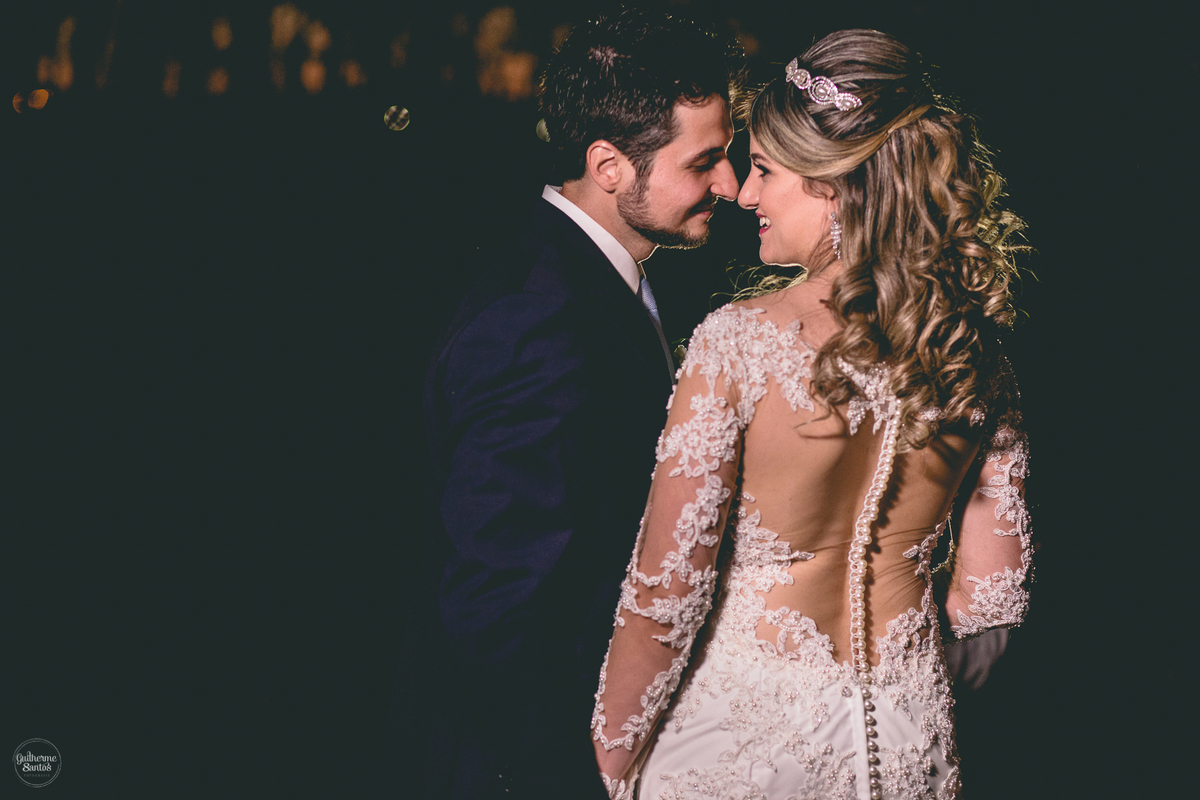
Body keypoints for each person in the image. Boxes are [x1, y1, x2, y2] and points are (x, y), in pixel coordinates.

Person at [591, 29, 1032, 800]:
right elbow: (992, 603)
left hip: (739, 743)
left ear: (835, 184)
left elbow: (666, 594)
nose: (747, 194)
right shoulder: (973, 356)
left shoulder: (737, 343)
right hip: (905, 742)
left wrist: (611, 760)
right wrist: (904, 678)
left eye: (764, 170)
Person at [391, 9, 741, 800]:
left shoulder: (598, 279)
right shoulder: (537, 318)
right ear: (610, 165)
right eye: (705, 161)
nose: (728, 183)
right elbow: (495, 603)